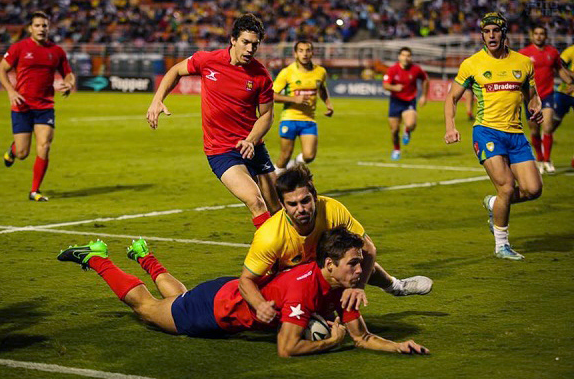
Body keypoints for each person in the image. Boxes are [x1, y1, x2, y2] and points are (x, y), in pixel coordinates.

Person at [57, 230, 429, 357]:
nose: (360, 270)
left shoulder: (339, 285)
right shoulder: (304, 290)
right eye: (353, 263)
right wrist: (328, 344)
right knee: (147, 307)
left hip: (228, 293)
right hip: (215, 312)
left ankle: (145, 256)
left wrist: (397, 345)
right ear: (329, 265)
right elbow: (287, 349)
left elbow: (361, 337)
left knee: (178, 298)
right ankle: (97, 259)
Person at [238, 164, 433, 324]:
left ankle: (396, 286)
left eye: (305, 201)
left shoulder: (332, 210)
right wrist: (260, 305)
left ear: (314, 196)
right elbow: (245, 280)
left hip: (320, 265)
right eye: (293, 204)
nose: (301, 209)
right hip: (287, 279)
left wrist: (358, 287)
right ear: (282, 205)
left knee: (354, 264)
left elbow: (368, 249)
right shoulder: (270, 236)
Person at [146, 14, 280, 229]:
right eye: (245, 42)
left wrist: (251, 140)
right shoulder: (208, 60)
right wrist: (157, 100)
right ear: (233, 40)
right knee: (255, 201)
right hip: (221, 150)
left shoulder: (261, 76)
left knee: (278, 208)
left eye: (255, 45)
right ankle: (270, 257)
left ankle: (289, 256)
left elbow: (266, 116)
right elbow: (176, 71)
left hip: (254, 146)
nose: (249, 49)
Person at [444, 12, 543, 261]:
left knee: (533, 189)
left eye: (495, 31)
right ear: (482, 35)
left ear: (504, 33)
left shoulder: (523, 63)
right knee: (507, 188)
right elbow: (451, 97)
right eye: (487, 31)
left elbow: (531, 95)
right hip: (487, 131)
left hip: (516, 134)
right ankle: (502, 245)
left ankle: (493, 204)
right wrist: (450, 126)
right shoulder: (472, 63)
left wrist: (535, 107)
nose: (491, 35)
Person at [0, 11, 75, 202]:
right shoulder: (19, 48)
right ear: (30, 28)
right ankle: (13, 150)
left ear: (49, 28)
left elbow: (68, 73)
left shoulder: (56, 51)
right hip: (22, 105)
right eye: (38, 25)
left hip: (45, 106)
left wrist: (69, 83)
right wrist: (10, 91)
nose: (41, 29)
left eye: (44, 26)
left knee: (44, 145)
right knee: (23, 153)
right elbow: (1, 70)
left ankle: (34, 191)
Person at [272, 40, 333, 173]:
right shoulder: (287, 72)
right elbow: (271, 95)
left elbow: (322, 88)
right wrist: (294, 99)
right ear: (295, 54)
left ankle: (292, 166)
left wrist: (328, 104)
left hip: (309, 119)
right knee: (285, 156)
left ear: (312, 53)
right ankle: (272, 182)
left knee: (309, 156)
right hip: (290, 118)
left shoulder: (320, 72)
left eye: (308, 50)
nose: (304, 54)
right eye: (301, 51)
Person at [519, 26, 574, 174]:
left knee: (548, 126)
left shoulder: (552, 52)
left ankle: (548, 160)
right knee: (535, 131)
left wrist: (570, 82)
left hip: (548, 95)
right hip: (530, 97)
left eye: (541, 34)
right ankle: (540, 158)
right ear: (532, 36)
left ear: (546, 36)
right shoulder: (524, 54)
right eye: (536, 34)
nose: (539, 36)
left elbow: (560, 70)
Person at [382, 47, 429, 160]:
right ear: (399, 57)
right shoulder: (392, 69)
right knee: (394, 130)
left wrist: (424, 95)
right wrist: (394, 87)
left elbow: (425, 80)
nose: (406, 58)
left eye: (408, 55)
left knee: (411, 124)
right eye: (403, 55)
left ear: (411, 57)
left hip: (409, 101)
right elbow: (385, 85)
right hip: (395, 102)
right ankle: (396, 149)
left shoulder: (416, 69)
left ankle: (407, 131)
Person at [554, 44, 574, 166]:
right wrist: (570, 78)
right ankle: (544, 141)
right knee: (554, 121)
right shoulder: (571, 50)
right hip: (566, 92)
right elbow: (559, 64)